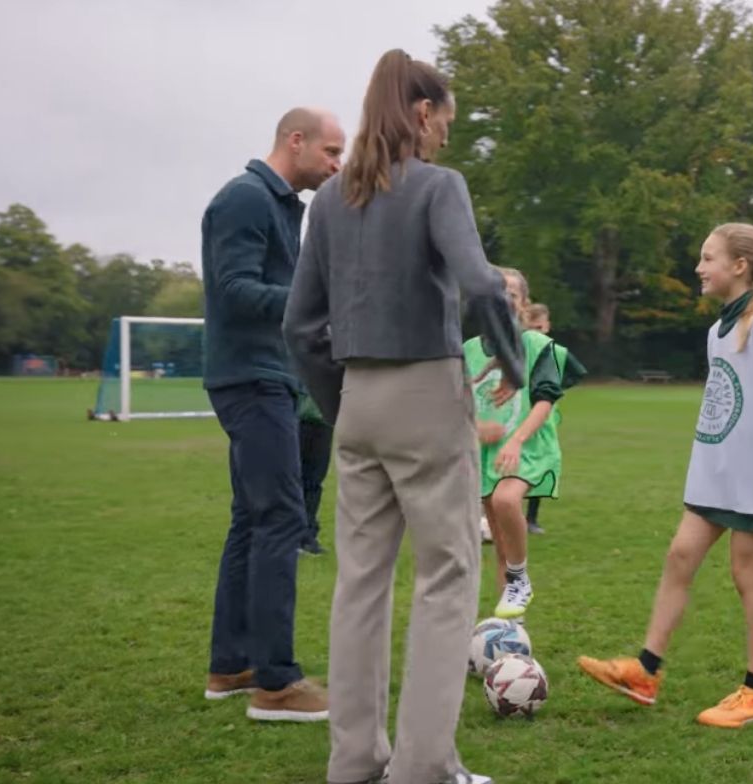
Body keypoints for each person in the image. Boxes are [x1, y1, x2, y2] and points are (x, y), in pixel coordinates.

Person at [283, 50, 520, 784]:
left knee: (360, 585)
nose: (446, 137)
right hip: (426, 396)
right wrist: (513, 365)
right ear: (421, 114)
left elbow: (299, 327)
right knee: (447, 579)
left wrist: (342, 402)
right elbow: (482, 284)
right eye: (444, 122)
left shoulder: (328, 201)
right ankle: (423, 768)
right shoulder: (439, 188)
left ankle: (354, 763)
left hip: (357, 403)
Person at [577, 223, 753, 729]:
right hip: (718, 472)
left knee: (747, 576)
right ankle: (644, 672)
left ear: (739, 266)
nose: (699, 267)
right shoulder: (718, 330)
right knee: (680, 556)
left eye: (708, 258)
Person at [201, 107, 343, 722]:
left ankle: (231, 666)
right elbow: (231, 289)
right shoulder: (245, 199)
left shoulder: (285, 207)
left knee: (253, 520)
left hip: (270, 377)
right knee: (284, 517)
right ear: (296, 141)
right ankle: (277, 684)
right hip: (250, 379)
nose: (338, 166)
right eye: (331, 153)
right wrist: (314, 302)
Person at [464, 270, 584, 618]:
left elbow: (546, 398)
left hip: (529, 446)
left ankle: (519, 576)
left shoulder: (537, 346)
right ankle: (511, 632)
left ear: (524, 305)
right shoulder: (468, 351)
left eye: (512, 294)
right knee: (500, 545)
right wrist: (475, 427)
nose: (503, 299)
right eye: (495, 293)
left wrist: (515, 439)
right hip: (488, 454)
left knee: (505, 500)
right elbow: (453, 403)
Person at [521, 303, 586, 536]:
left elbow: (577, 372)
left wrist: (553, 389)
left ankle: (531, 518)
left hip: (543, 418)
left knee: (541, 464)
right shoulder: (517, 350)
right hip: (514, 415)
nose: (536, 332)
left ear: (547, 326)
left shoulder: (557, 351)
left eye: (540, 327)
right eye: (531, 327)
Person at [298, 391, 332, 555]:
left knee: (314, 481)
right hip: (298, 421)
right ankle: (294, 535)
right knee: (294, 480)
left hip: (322, 423)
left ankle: (307, 535)